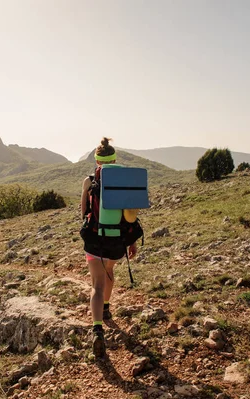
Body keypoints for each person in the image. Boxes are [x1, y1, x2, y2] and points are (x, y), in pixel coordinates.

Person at [81, 137, 138, 358]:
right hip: (117, 240)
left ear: (97, 161)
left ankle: (97, 329)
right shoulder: (124, 181)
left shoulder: (88, 181)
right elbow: (130, 216)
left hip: (95, 240)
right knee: (109, 271)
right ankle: (106, 307)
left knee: (96, 283)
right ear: (114, 159)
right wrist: (131, 241)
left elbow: (84, 212)